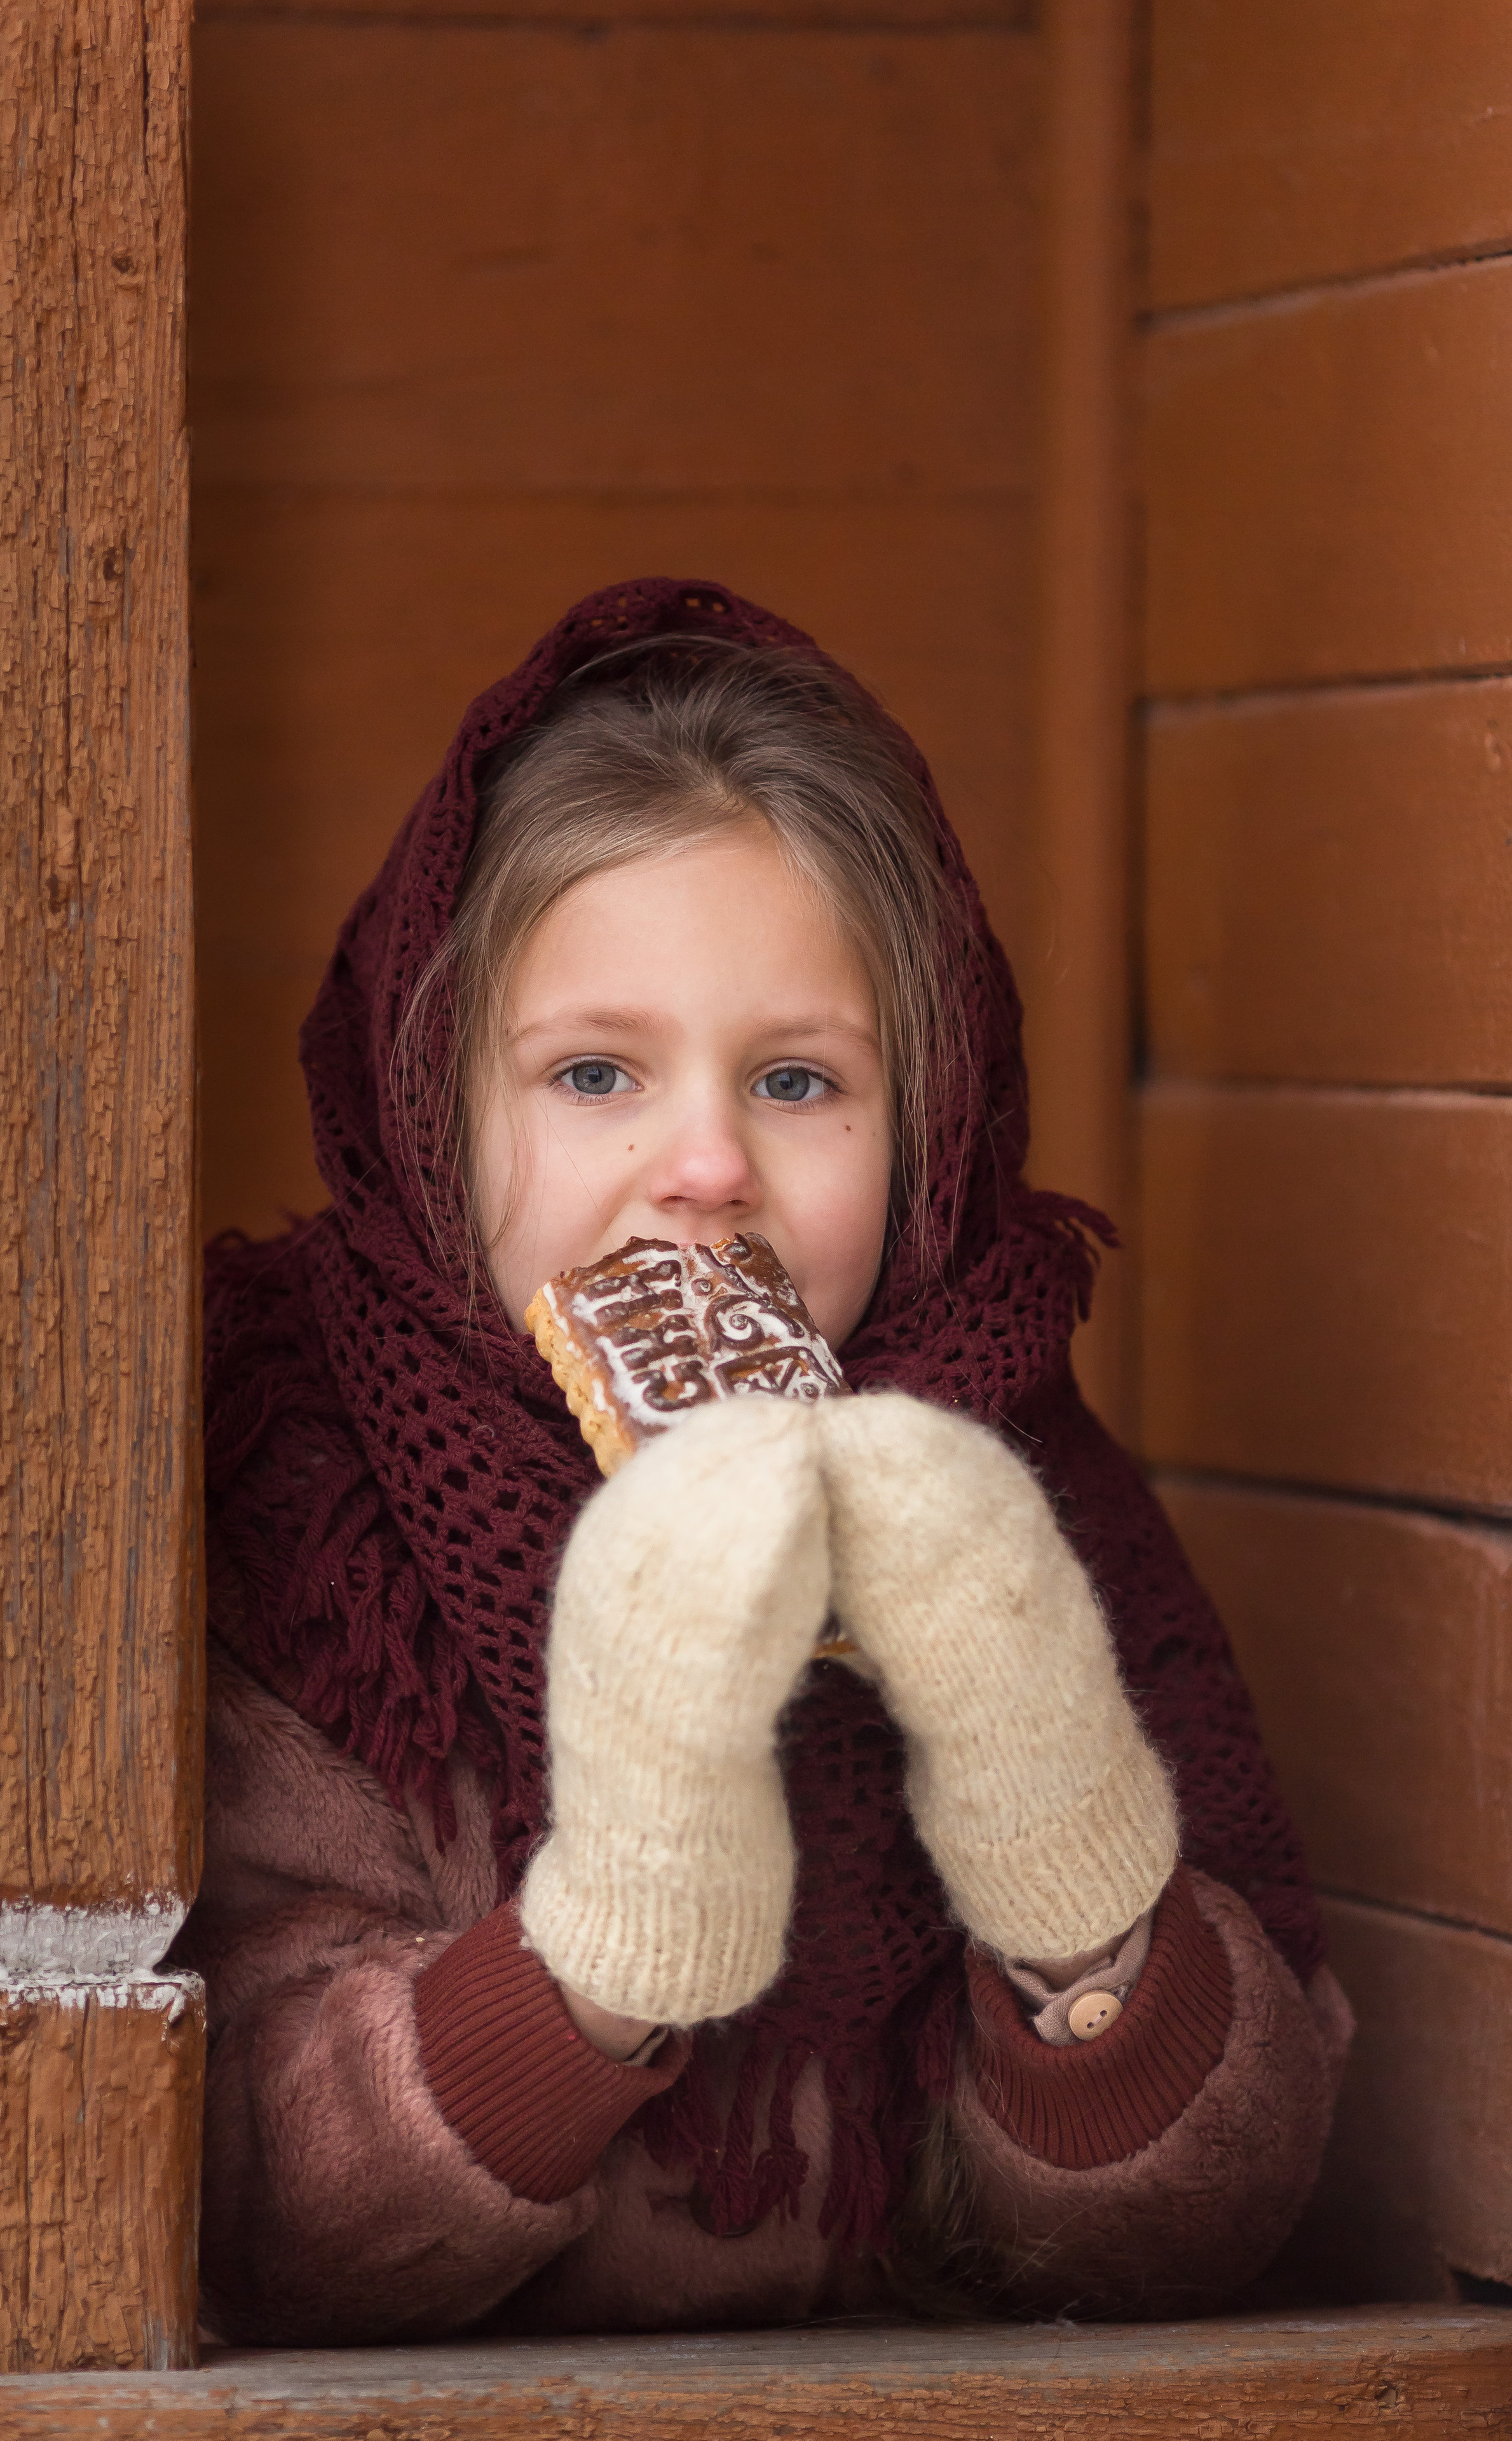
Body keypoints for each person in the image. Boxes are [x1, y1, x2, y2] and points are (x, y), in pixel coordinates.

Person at [184, 577, 1351, 2346]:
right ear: (436, 1114)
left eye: (799, 1083)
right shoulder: (304, 1497)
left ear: (932, 1129)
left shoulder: (1014, 1487)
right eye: (594, 1075)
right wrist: (606, 1945)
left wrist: (1068, 1869)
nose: (706, 1165)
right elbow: (246, 2200)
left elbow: (1215, 2220)